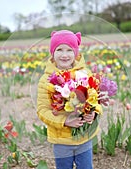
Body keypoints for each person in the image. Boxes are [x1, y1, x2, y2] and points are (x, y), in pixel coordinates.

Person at [37, 30, 102, 169]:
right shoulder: (46, 80)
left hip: (84, 137)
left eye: (69, 50)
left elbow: (96, 99)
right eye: (59, 49)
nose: (64, 55)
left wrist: (93, 113)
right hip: (61, 140)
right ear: (52, 53)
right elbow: (42, 111)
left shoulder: (85, 74)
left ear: (76, 52)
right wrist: (64, 121)